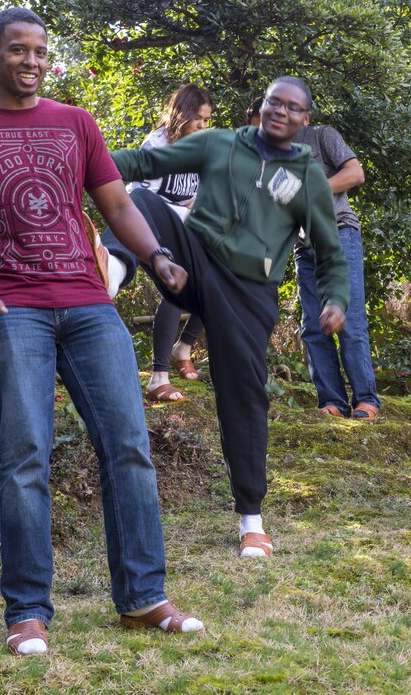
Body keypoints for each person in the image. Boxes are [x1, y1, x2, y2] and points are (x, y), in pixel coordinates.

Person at [0, 7, 204, 656]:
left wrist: (156, 256)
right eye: (19, 51)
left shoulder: (76, 123)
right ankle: (27, 611)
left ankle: (143, 596)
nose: (33, 61)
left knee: (128, 443)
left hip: (89, 306)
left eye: (41, 52)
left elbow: (118, 204)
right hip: (13, 311)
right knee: (25, 458)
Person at [101, 76, 349, 559]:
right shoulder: (219, 144)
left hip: (249, 292)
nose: (281, 111)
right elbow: (144, 162)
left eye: (292, 107)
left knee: (244, 395)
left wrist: (335, 298)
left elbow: (329, 251)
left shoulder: (308, 176)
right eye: (274, 102)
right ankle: (112, 270)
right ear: (263, 107)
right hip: (195, 259)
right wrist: (82, 158)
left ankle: (251, 519)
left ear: (305, 120)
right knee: (145, 200)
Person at [118, 84, 213, 403]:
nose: (203, 125)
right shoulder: (157, 143)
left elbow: (197, 193)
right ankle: (158, 377)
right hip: (151, 226)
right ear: (183, 114)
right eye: (199, 118)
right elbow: (142, 197)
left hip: (184, 226)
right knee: (175, 285)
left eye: (206, 120)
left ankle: (183, 347)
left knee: (218, 277)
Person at [293, 123, 380, 420]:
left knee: (349, 319)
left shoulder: (321, 135)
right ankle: (333, 401)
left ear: (304, 114)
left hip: (338, 231)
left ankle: (366, 400)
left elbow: (356, 173)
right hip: (302, 244)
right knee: (314, 325)